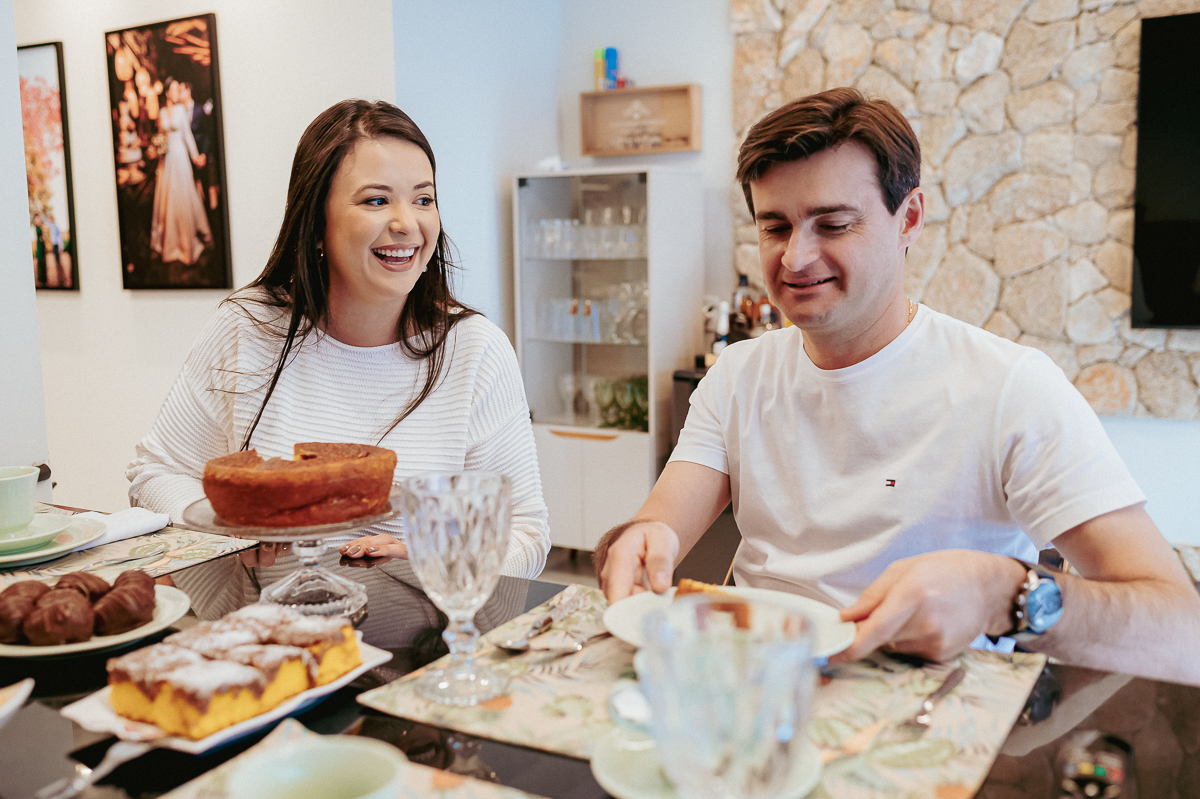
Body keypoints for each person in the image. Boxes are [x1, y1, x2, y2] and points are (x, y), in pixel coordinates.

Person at [596, 88, 1200, 684]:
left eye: (832, 224)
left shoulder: (1009, 388)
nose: (795, 258)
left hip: (936, 717)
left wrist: (1006, 594)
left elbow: (1181, 633)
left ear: (908, 218)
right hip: (758, 695)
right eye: (775, 227)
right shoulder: (738, 376)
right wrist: (637, 541)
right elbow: (659, 530)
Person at [128, 99, 551, 578]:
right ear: (316, 224)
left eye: (423, 199)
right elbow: (154, 475)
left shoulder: (475, 351)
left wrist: (438, 560)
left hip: (417, 643)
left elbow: (525, 535)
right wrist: (228, 530)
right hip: (263, 633)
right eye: (376, 200)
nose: (406, 223)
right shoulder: (249, 328)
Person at [149, 79, 212, 267]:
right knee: (169, 198)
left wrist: (195, 157)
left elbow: (188, 136)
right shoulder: (161, 112)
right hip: (167, 160)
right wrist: (158, 152)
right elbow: (161, 137)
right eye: (174, 90)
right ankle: (169, 242)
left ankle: (187, 242)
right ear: (168, 92)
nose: (177, 93)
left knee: (183, 195)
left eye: (178, 89)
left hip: (181, 157)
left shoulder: (180, 111)